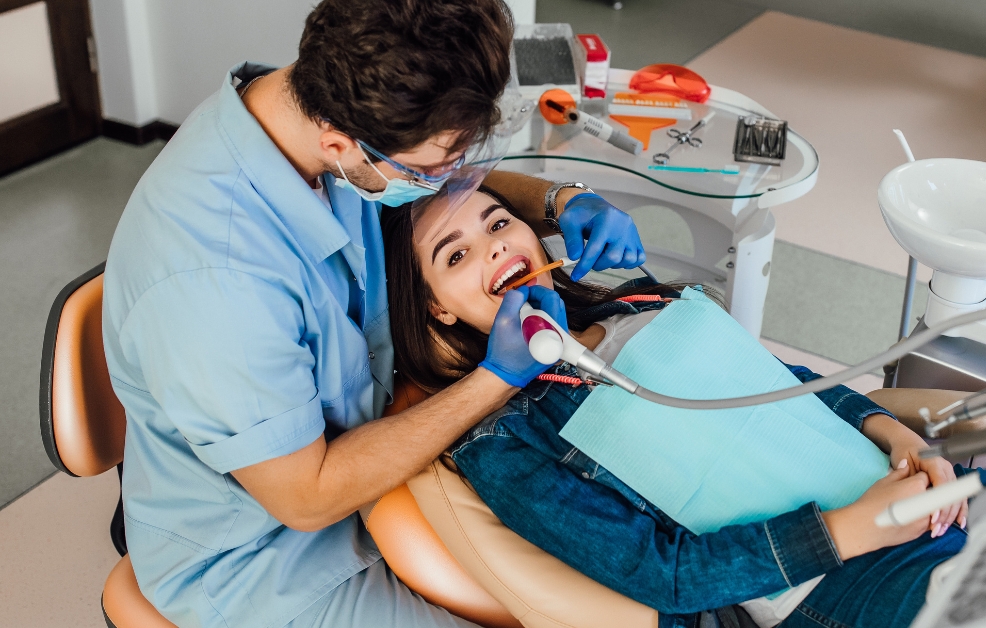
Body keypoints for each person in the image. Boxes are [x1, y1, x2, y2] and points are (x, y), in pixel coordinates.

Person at [101, 1, 648, 626]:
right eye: (433, 167)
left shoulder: (328, 103)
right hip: (275, 555)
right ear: (339, 144)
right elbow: (307, 499)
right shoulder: (214, 280)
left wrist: (559, 201)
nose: (456, 180)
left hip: (390, 461)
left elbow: (449, 183)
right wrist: (496, 378)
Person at [381, 188, 971, 628]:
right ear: (438, 311)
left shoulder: (642, 300)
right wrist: (853, 530)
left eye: (500, 222)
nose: (495, 248)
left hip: (914, 485)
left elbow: (783, 384)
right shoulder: (505, 443)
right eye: (455, 257)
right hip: (832, 579)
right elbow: (664, 574)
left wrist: (899, 436)